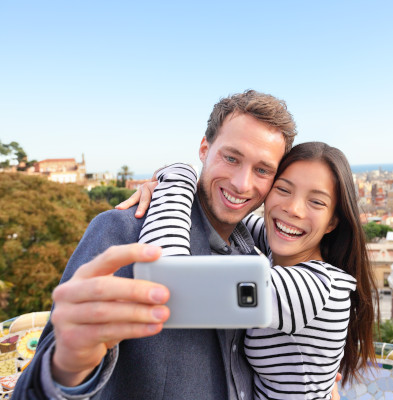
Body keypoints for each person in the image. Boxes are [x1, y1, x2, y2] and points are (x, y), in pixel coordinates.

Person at [11, 90, 300, 400]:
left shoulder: (259, 254)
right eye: (231, 158)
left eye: (262, 170)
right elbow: (38, 385)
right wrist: (68, 366)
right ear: (204, 149)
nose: (242, 184)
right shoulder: (124, 232)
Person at [132, 142, 378, 399]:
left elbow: (170, 288)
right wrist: (160, 189)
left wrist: (177, 176)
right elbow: (222, 210)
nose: (293, 209)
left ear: (332, 222)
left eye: (316, 202)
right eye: (283, 189)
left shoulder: (313, 288)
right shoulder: (282, 252)